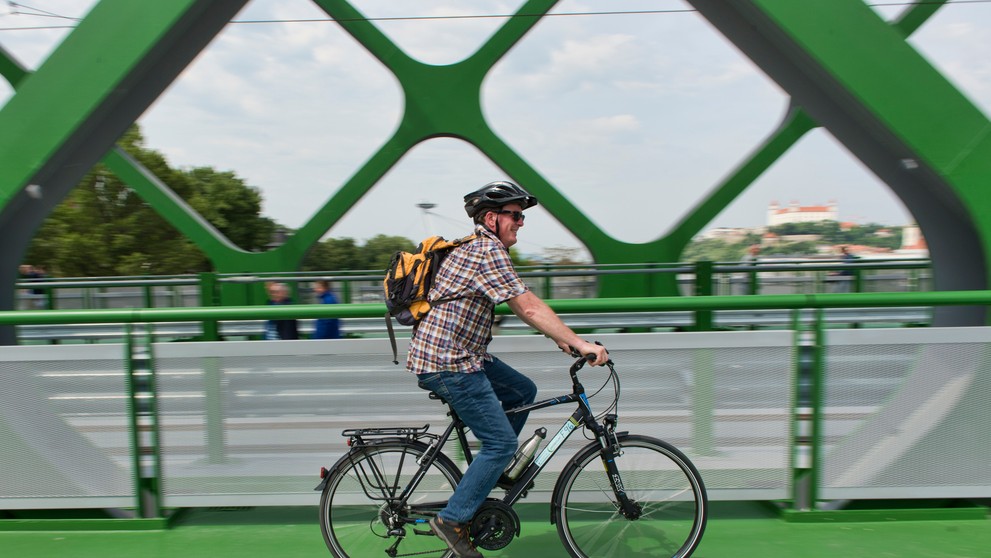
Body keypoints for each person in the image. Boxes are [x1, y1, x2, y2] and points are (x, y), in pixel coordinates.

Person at [407, 180, 609, 558]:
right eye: (515, 216)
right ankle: (453, 520)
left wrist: (561, 338)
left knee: (522, 391)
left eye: (522, 216)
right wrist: (581, 343)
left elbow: (523, 306)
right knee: (500, 443)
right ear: (491, 218)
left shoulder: (481, 248)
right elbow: (528, 306)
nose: (520, 222)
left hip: (462, 354)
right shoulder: (486, 250)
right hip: (449, 361)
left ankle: (493, 473)